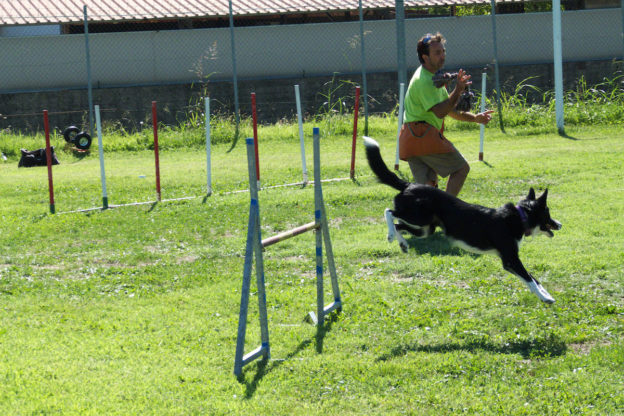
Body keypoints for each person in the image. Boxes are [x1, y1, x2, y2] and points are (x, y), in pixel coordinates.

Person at [398, 32, 494, 196]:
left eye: (443, 51)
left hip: (410, 140)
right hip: (423, 136)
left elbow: (451, 110)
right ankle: (447, 210)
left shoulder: (431, 77)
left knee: (428, 192)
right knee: (461, 169)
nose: (442, 56)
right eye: (437, 53)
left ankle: (419, 219)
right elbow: (441, 112)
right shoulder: (425, 81)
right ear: (425, 57)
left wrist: (475, 118)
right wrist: (457, 90)